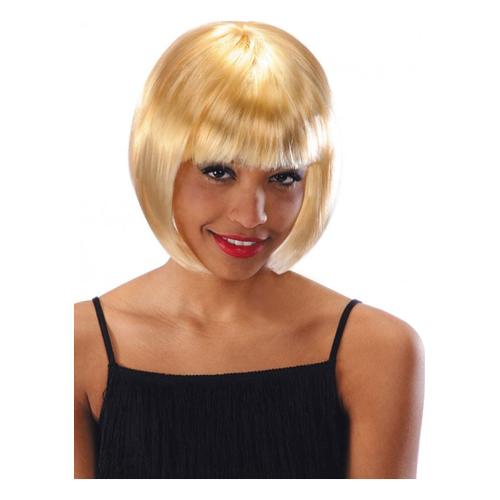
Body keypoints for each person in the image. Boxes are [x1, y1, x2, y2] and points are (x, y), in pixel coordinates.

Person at [74, 20, 425, 479]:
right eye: (218, 171)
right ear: (160, 160)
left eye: (283, 177)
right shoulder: (77, 345)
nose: (251, 215)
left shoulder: (375, 350)